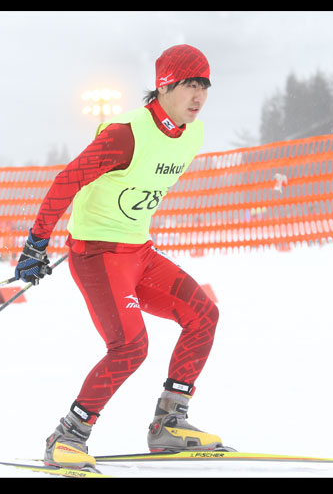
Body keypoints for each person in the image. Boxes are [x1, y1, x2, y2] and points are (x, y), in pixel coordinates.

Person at [14, 44, 230, 471]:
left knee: (204, 314)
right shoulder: (126, 132)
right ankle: (67, 437)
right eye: (190, 85)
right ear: (165, 85)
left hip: (139, 252)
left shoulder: (195, 134)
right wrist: (37, 242)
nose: (199, 96)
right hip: (98, 255)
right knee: (130, 346)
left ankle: (170, 423)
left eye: (205, 86)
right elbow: (67, 181)